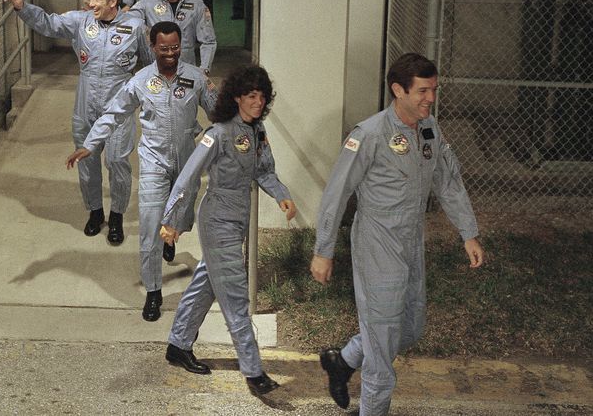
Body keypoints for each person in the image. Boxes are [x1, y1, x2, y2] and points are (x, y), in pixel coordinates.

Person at [309, 53, 485, 415]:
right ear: (397, 90)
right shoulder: (370, 134)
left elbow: (447, 182)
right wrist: (323, 250)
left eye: (433, 90)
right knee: (382, 354)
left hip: (410, 242)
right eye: (422, 91)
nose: (430, 99)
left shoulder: (428, 128)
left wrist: (468, 233)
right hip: (377, 244)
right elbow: (337, 193)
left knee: (409, 328)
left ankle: (342, 361)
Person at [159, 65, 297, 397]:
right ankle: (254, 371)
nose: (258, 103)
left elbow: (264, 171)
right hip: (218, 216)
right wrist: (173, 220)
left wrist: (282, 196)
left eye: (262, 96)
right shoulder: (218, 133)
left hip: (238, 219)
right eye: (251, 96)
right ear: (236, 98)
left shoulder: (258, 132)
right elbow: (187, 177)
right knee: (235, 296)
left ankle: (178, 344)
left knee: (209, 280)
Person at [66, 21, 217, 322]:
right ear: (152, 48)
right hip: (153, 164)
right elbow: (114, 113)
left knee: (183, 218)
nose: (171, 54)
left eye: (176, 48)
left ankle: (171, 236)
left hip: (187, 165)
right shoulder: (140, 80)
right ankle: (153, 292)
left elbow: (219, 112)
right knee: (149, 230)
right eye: (164, 49)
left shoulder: (195, 78)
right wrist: (90, 143)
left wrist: (248, 130)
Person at [4, 0, 149, 244]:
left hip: (119, 107)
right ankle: (95, 212)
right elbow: (49, 23)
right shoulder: (80, 22)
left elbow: (150, 64)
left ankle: (116, 216)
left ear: (113, 2)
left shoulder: (135, 28)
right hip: (86, 104)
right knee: (87, 161)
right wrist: (22, 8)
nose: (90, 3)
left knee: (117, 162)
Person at [129, 0, 216, 73]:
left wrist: (204, 69)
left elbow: (208, 41)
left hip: (185, 71)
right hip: (154, 72)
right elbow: (129, 21)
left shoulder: (197, 5)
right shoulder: (148, 2)